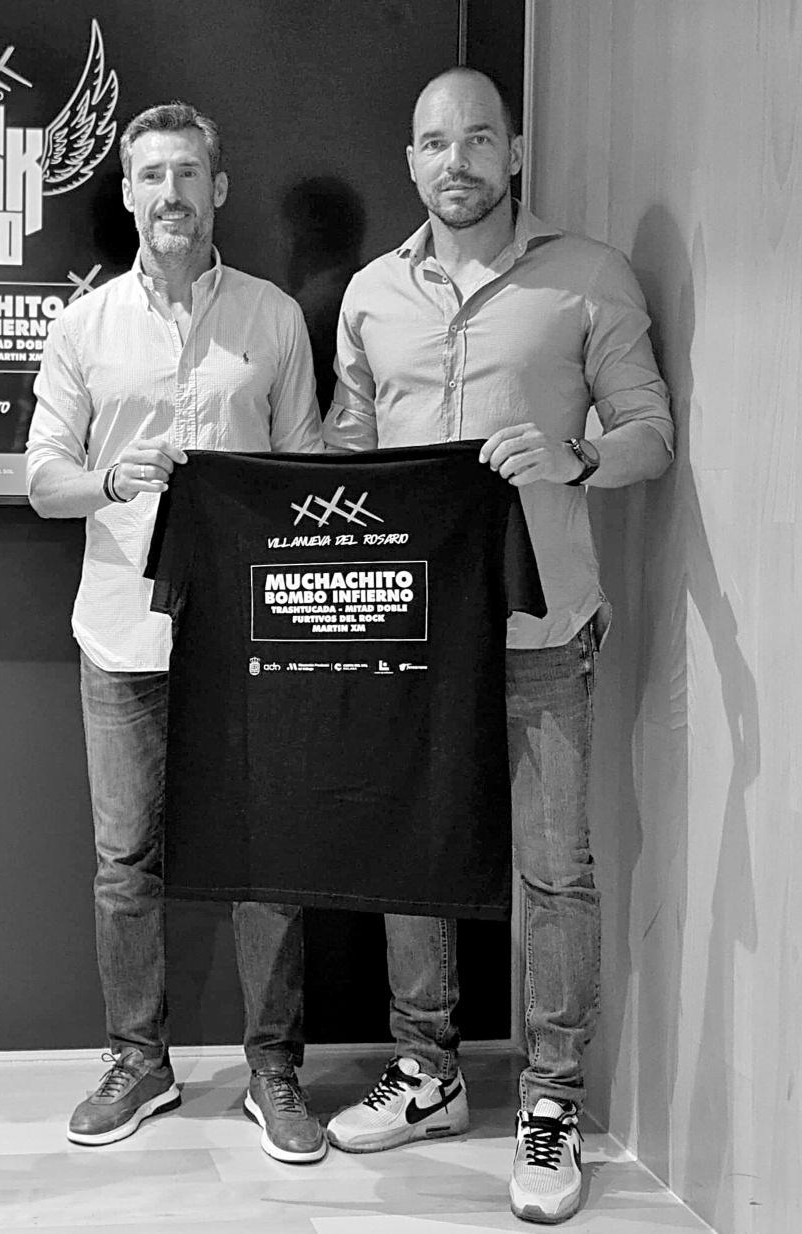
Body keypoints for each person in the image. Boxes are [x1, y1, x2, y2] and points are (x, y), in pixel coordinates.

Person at [321, 67, 673, 1225]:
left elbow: (648, 433)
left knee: (552, 872)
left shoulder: (587, 277)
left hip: (540, 626)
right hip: (409, 634)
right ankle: (426, 1071)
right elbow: (349, 448)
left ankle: (549, 1099)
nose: (456, 160)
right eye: (434, 142)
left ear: (512, 153)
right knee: (409, 858)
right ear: (408, 161)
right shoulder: (370, 294)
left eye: (478, 138)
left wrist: (575, 456)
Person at [26, 102, 327, 1162]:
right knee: (125, 862)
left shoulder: (272, 317)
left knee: (267, 860)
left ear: (218, 188)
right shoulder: (83, 327)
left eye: (188, 173)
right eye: (151, 176)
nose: (170, 194)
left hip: (249, 639)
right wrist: (113, 479)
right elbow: (41, 479)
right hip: (121, 636)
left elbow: (308, 472)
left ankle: (273, 1069)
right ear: (126, 194)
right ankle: (136, 1060)